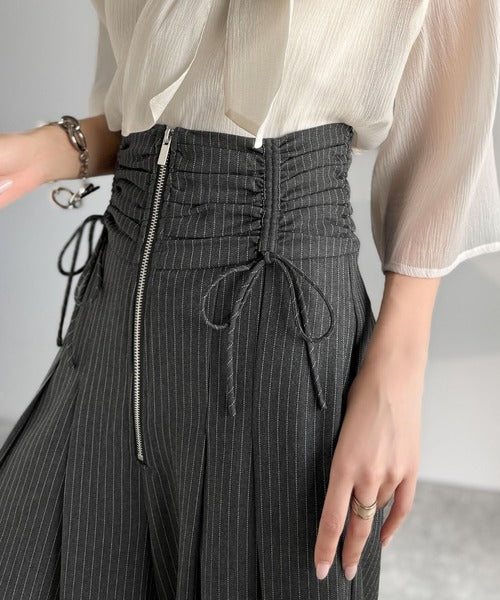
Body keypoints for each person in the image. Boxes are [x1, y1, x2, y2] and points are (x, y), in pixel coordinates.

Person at [0, 1, 499, 598]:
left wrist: (399, 376)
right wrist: (43, 151)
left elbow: (446, 127)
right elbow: (144, 108)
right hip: (114, 316)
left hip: (278, 336)